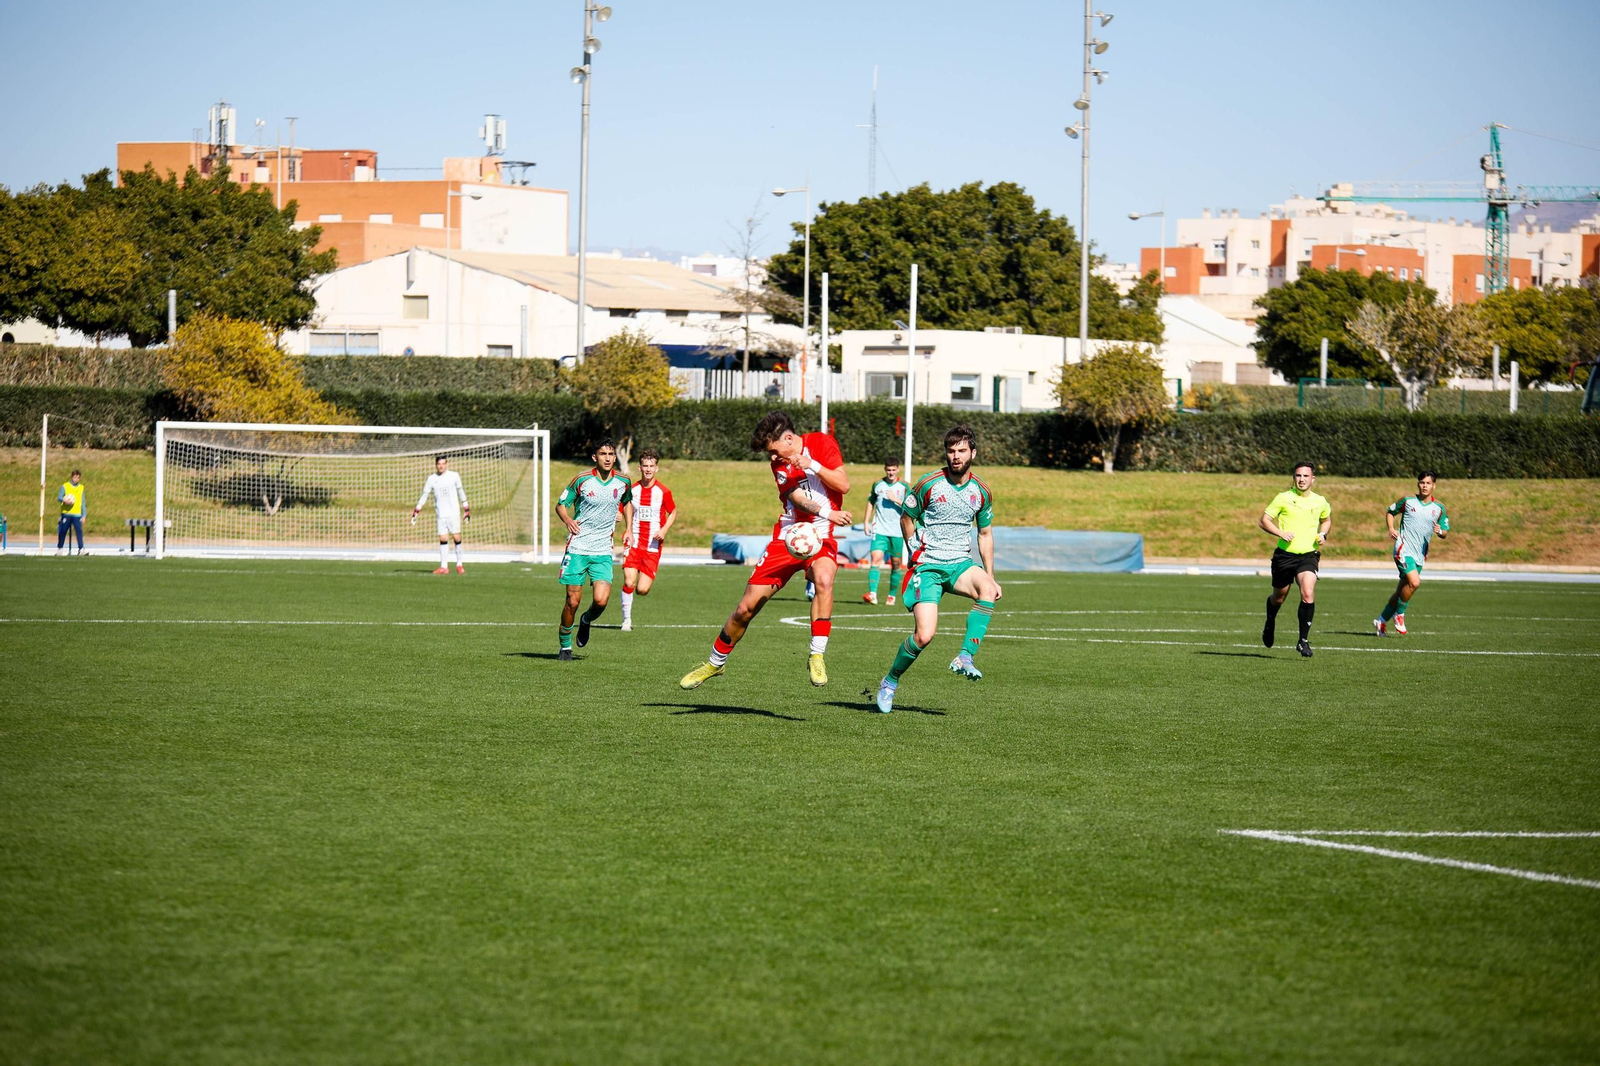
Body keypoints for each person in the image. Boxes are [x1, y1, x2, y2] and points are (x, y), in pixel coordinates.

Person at [680, 411, 851, 690]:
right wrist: (825, 511)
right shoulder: (779, 465)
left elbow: (843, 484)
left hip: (821, 535)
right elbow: (796, 498)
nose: (771, 457)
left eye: (773, 450)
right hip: (788, 537)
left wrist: (812, 465)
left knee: (824, 579)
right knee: (745, 609)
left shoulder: (821, 443)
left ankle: (817, 654)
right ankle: (714, 663)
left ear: (788, 438)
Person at [874, 426, 1002, 714]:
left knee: (989, 590)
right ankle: (890, 681)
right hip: (929, 565)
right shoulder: (928, 483)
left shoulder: (981, 491)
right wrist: (912, 548)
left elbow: (984, 535)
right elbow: (907, 518)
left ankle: (965, 657)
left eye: (961, 451)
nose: (955, 456)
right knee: (924, 636)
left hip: (960, 564)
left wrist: (989, 575)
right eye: (951, 451)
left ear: (973, 453)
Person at [555, 439, 634, 661]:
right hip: (578, 547)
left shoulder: (623, 481)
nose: (608, 458)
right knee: (572, 601)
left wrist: (628, 528)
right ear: (594, 458)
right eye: (603, 454)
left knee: (600, 601)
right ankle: (565, 646)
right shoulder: (582, 480)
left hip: (602, 549)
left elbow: (627, 502)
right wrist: (568, 519)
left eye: (611, 454)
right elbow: (560, 504)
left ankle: (586, 620)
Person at [1260, 461, 1332, 658]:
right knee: (1279, 597)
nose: (1301, 479)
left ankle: (1303, 640)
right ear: (1294, 477)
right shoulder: (1283, 498)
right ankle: (1270, 620)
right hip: (1284, 556)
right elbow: (1264, 520)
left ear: (1313, 479)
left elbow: (1326, 520)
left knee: (1308, 592)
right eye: (1298, 476)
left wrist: (1323, 534)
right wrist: (1280, 533)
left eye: (1305, 476)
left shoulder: (1320, 501)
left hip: (1308, 555)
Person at [1375, 470, 1449, 637]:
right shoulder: (1408, 501)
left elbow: (1445, 531)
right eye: (1422, 482)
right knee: (1414, 583)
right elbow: (1390, 511)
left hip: (1420, 555)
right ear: (1418, 484)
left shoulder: (1439, 508)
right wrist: (1391, 528)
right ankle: (1399, 615)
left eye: (1428, 483)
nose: (1424, 486)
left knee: (1403, 590)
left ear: (1434, 486)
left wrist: (1440, 532)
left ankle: (1380, 620)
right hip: (1403, 549)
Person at [620, 449, 676, 632]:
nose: (648, 469)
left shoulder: (663, 492)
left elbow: (673, 512)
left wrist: (664, 529)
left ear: (657, 469)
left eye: (652, 466)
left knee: (642, 589)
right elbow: (622, 507)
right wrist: (618, 516)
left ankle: (634, 592)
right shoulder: (632, 490)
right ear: (640, 468)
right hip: (634, 543)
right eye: (645, 466)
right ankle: (626, 620)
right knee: (629, 581)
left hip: (652, 546)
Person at [862, 458, 912, 606]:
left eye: (893, 470)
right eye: (888, 470)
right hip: (880, 529)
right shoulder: (878, 485)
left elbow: (912, 506)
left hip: (897, 530)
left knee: (896, 564)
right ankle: (872, 594)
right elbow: (871, 501)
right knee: (875, 559)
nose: (891, 473)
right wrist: (866, 521)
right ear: (885, 469)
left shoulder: (904, 487)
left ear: (898, 469)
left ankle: (891, 595)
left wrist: (896, 500)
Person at [412, 456, 470, 574]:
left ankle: (459, 564)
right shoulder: (431, 479)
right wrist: (416, 511)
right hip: (441, 514)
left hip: (453, 513)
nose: (441, 466)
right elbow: (425, 495)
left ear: (446, 464)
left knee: (456, 537)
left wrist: (466, 509)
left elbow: (460, 491)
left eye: (443, 463)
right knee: (443, 538)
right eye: (439, 464)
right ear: (436, 465)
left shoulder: (454, 476)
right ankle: (444, 566)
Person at [56, 469, 86, 556]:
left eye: (78, 477)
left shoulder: (81, 488)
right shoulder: (65, 486)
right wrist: (64, 500)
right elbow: (59, 497)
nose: (76, 479)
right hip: (66, 513)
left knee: (79, 531)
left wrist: (84, 515)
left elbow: (83, 502)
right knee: (63, 530)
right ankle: (60, 548)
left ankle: (81, 549)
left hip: (77, 514)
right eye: (75, 477)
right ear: (72, 477)